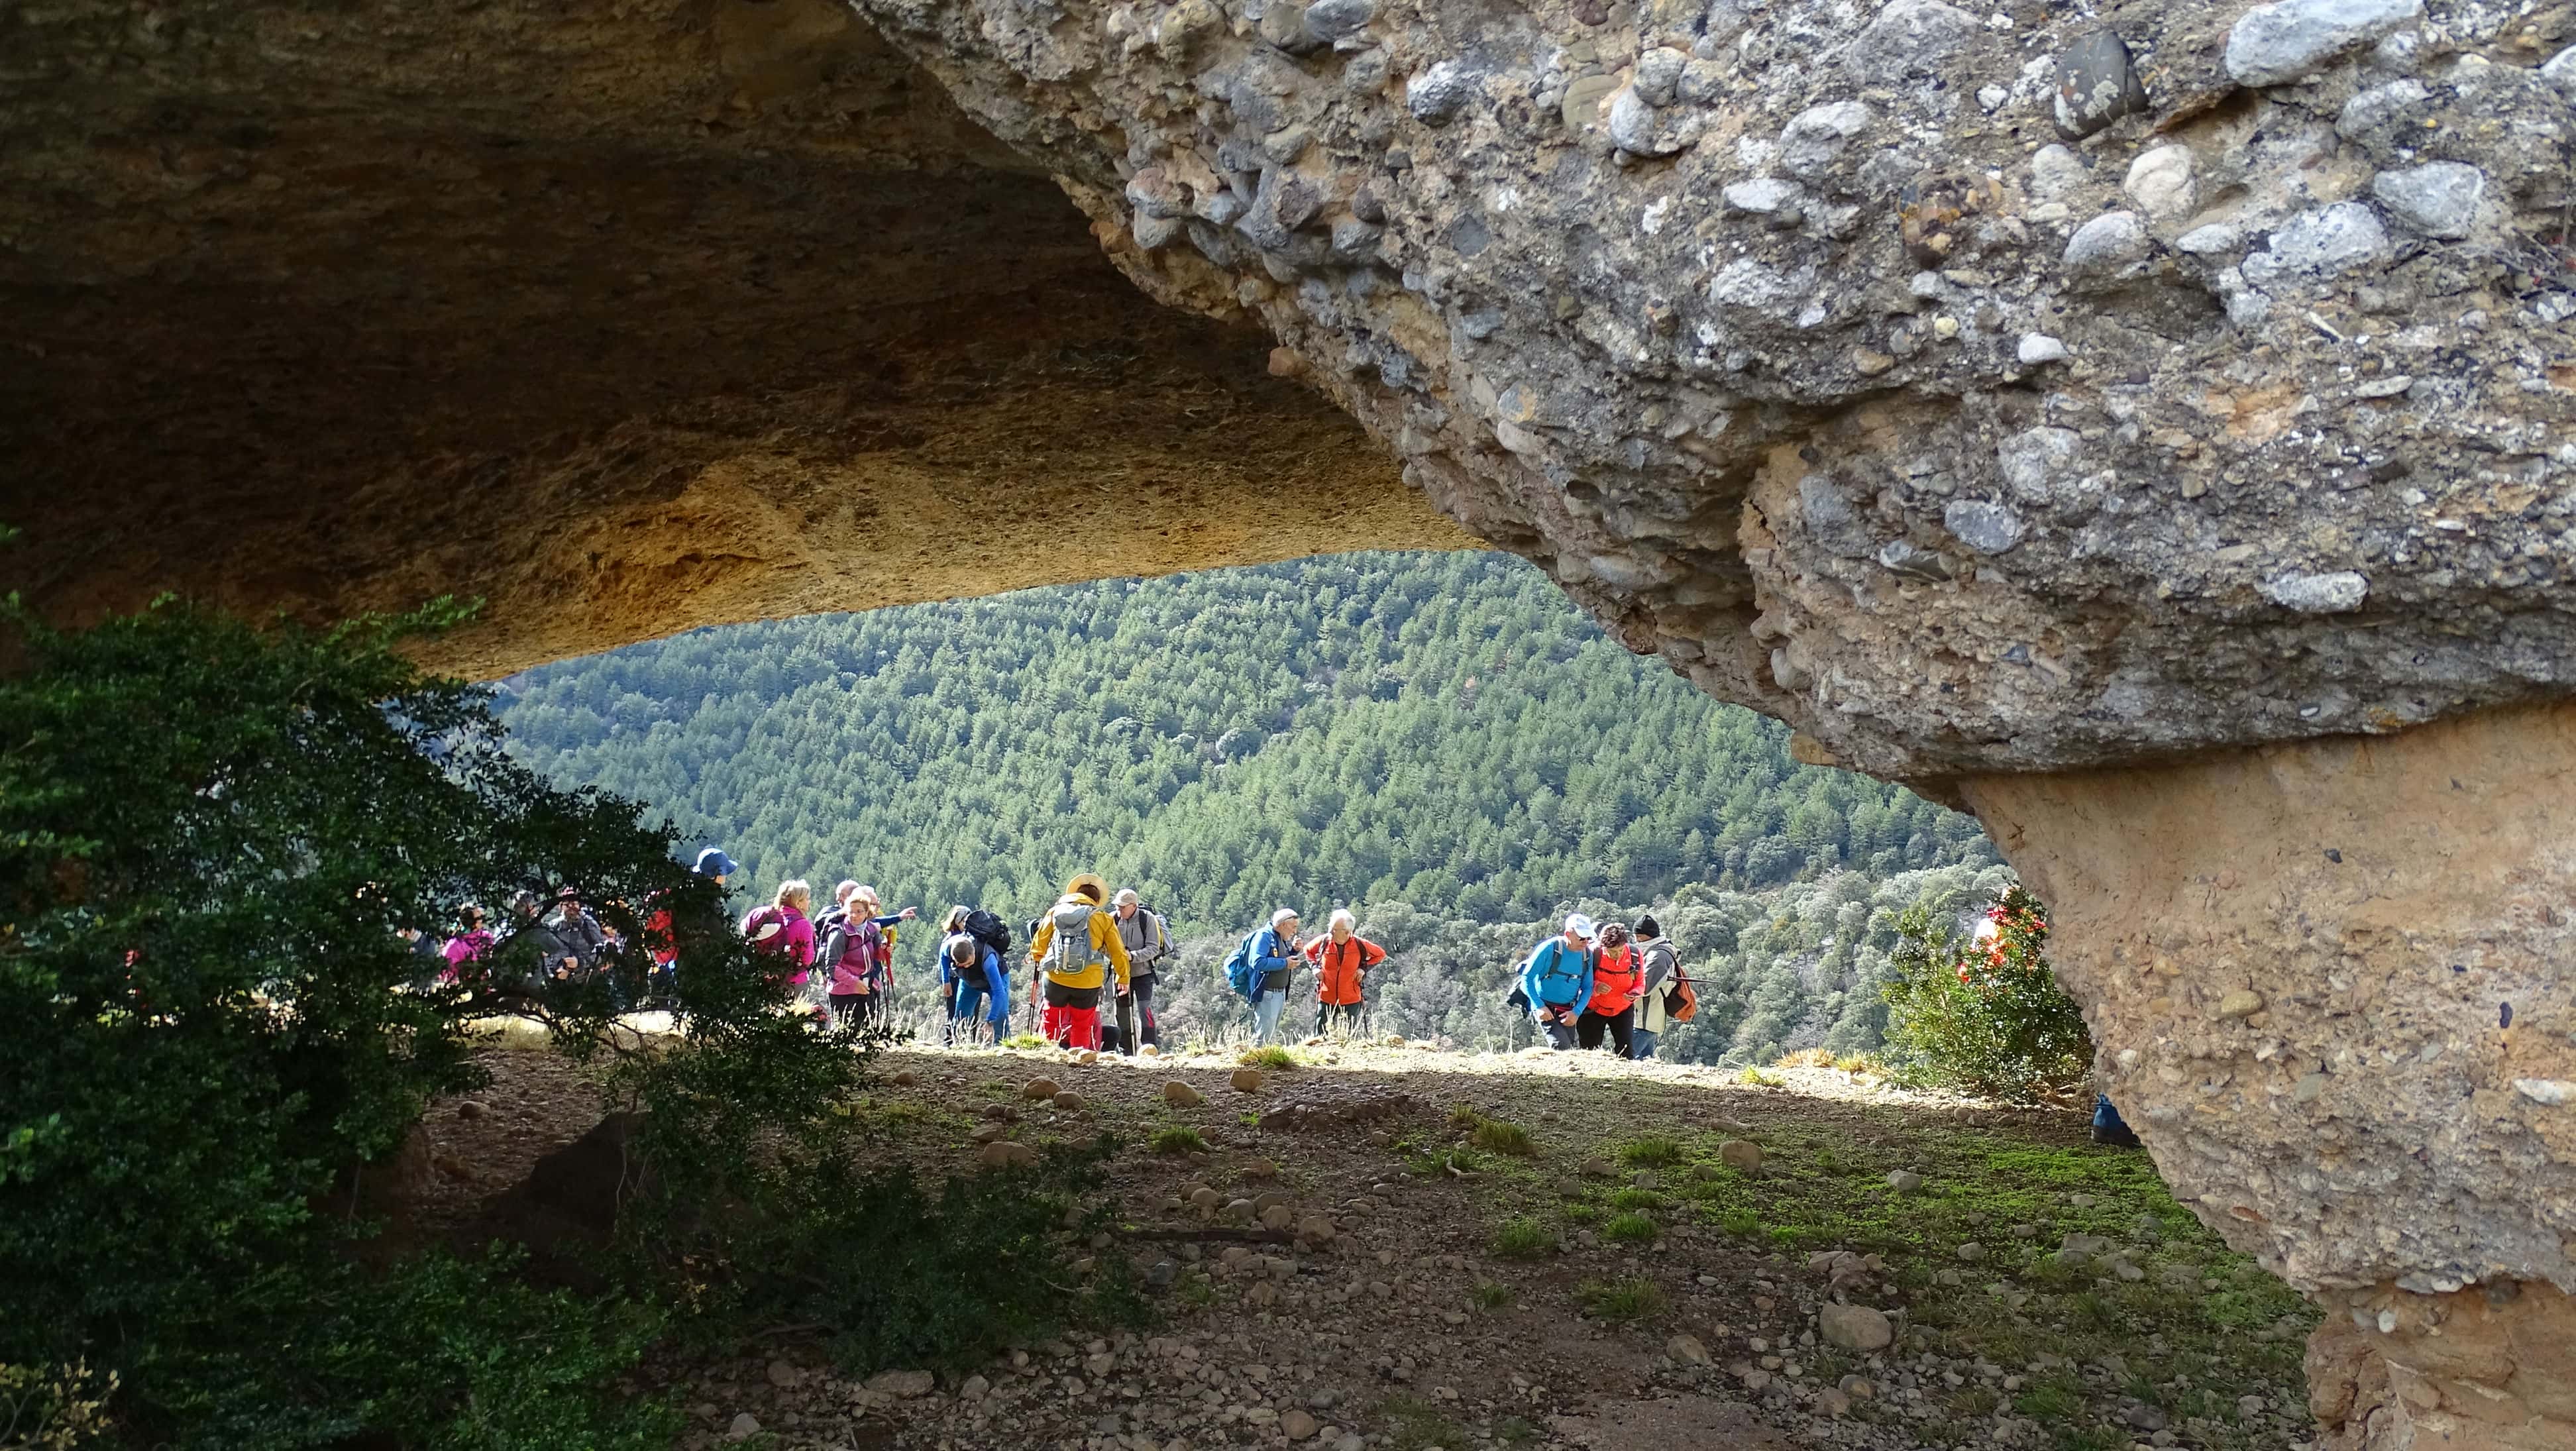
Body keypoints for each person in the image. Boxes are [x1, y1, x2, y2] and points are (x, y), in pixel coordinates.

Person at [1026, 875, 1130, 1051]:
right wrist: (1123, 978)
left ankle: (1048, 1055)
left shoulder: (1055, 912)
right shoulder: (1103, 918)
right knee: (1082, 1024)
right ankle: (1079, 1058)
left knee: (1051, 1019)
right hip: (1088, 981)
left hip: (1055, 978)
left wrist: (1038, 958)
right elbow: (1118, 952)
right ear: (1096, 900)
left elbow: (1039, 944)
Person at [1516, 914, 1597, 1049]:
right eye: (1582, 938)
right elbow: (1527, 978)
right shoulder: (1549, 949)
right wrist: (1539, 1006)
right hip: (1545, 1007)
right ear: (1568, 934)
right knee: (1560, 1045)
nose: (1585, 942)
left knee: (1569, 1049)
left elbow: (1588, 987)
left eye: (1588, 938)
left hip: (1568, 1010)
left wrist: (1577, 1012)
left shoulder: (1587, 955)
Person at [1303, 908, 1385, 1036]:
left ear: (1348, 932)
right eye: (1331, 927)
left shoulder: (1359, 944)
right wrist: (1315, 968)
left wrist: (1363, 969)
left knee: (1348, 1036)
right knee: (1319, 1037)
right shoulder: (1324, 941)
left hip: (1351, 999)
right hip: (1326, 997)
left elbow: (1380, 954)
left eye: (1335, 929)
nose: (1331, 931)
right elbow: (1307, 951)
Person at [1110, 888, 1171, 1055]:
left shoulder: (1147, 919)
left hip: (1143, 973)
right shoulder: (1112, 919)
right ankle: (1126, 1050)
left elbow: (1153, 948)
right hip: (1120, 973)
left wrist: (1131, 956)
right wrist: (1119, 958)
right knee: (1122, 1012)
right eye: (1117, 906)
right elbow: (1104, 945)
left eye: (1122, 907)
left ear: (1134, 906)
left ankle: (1149, 1047)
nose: (1119, 910)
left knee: (1145, 1009)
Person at [740, 879, 819, 997]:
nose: (809, 902)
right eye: (807, 899)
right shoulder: (803, 924)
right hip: (795, 982)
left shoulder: (770, 920)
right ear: (798, 903)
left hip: (766, 980)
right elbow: (807, 959)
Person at [941, 917, 1010, 1046]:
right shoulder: (949, 947)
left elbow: (999, 992)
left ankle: (1002, 1046)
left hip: (995, 980)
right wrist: (946, 981)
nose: (966, 966)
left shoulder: (988, 960)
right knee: (961, 1014)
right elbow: (943, 957)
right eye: (961, 965)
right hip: (970, 982)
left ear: (973, 952)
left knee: (1001, 1015)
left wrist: (990, 1021)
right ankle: (961, 1044)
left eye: (968, 963)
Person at [1579, 922, 1640, 1057]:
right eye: (1613, 952)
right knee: (1590, 1052)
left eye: (1621, 950)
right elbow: (1578, 981)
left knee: (1627, 1051)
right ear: (1603, 946)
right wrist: (1596, 987)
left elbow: (1640, 982)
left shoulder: (1635, 954)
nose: (1618, 955)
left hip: (1623, 1009)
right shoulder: (1592, 953)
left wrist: (1635, 993)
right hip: (1593, 1010)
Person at [502, 888, 584, 989]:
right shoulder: (505, 928)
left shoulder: (538, 931)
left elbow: (561, 950)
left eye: (522, 906)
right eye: (517, 906)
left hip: (529, 988)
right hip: (505, 984)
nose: (518, 909)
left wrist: (564, 965)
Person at [821, 908, 888, 1030]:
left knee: (870, 1033)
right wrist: (854, 982)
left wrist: (885, 950)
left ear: (867, 913)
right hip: (843, 992)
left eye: (859, 911)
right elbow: (832, 967)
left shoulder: (871, 930)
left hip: (867, 988)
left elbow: (877, 957)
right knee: (846, 1033)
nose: (854, 915)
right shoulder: (839, 933)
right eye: (852, 911)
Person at [1246, 908, 1303, 1046]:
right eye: (1293, 927)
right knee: (1264, 1035)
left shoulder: (1278, 937)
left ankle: (1262, 1061)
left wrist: (1294, 951)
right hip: (1268, 994)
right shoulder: (1264, 936)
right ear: (1284, 925)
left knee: (1270, 1033)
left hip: (1279, 993)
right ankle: (1257, 1062)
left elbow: (1278, 958)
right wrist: (1285, 963)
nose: (1294, 931)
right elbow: (1257, 962)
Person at [1631, 916, 1678, 1061]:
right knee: (1645, 1061)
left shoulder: (1658, 956)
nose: (1636, 940)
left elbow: (1644, 987)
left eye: (1639, 937)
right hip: (1649, 1018)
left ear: (1648, 936)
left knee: (1626, 1058)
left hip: (1644, 1018)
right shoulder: (1659, 951)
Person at [441, 904, 493, 986]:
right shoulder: (454, 946)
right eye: (480, 918)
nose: (483, 921)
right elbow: (447, 972)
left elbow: (489, 957)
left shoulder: (486, 937)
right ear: (472, 923)